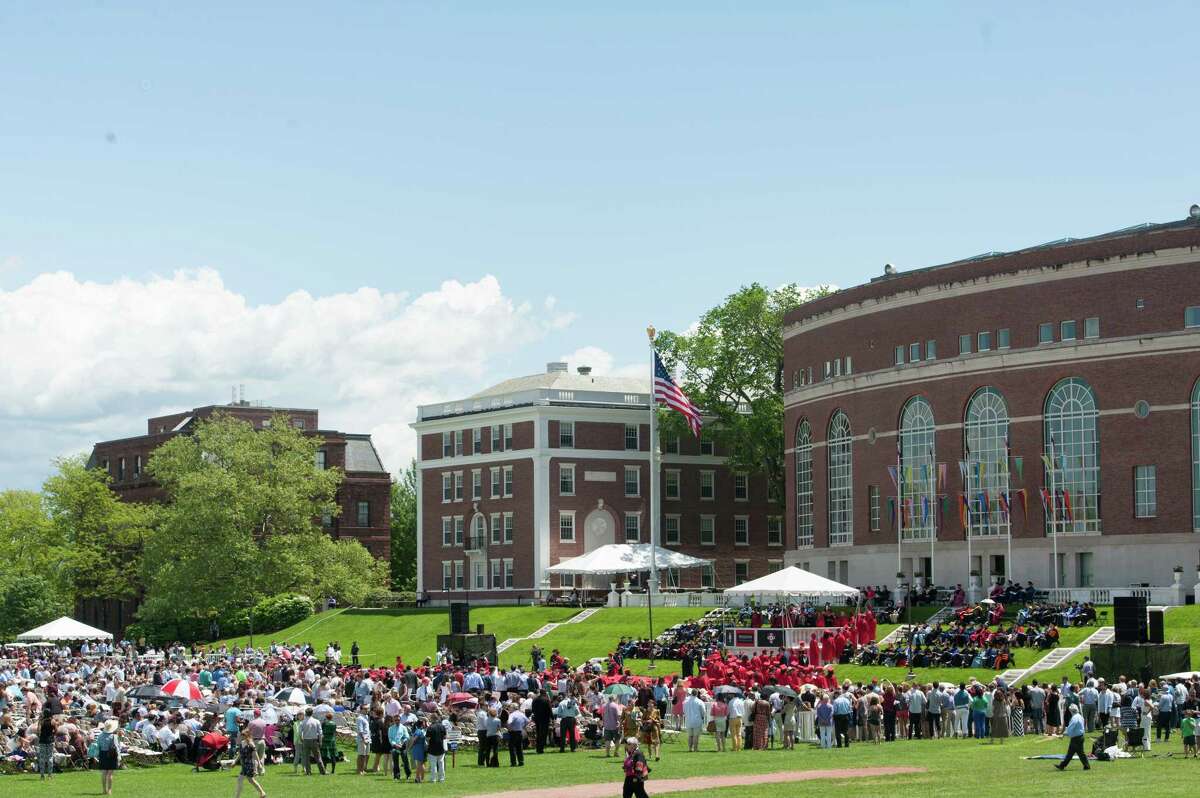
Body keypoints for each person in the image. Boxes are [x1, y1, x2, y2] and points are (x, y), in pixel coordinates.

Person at [1056, 706, 1089, 771]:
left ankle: (1062, 765)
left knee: (1073, 753)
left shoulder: (1074, 718)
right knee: (1077, 753)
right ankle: (1062, 765)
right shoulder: (1079, 716)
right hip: (1080, 737)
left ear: (1071, 711)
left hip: (1076, 738)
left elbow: (1070, 727)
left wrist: (1063, 734)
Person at [235, 733, 267, 798]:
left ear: (247, 736)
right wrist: (235, 761)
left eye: (243, 736)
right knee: (250, 780)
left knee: (243, 779)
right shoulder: (242, 743)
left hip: (250, 764)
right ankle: (262, 793)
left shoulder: (251, 744)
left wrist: (259, 764)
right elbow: (240, 753)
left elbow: (255, 754)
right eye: (242, 736)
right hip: (244, 764)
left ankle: (237, 797)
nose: (242, 737)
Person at [96, 718, 121, 796]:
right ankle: (109, 790)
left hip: (103, 754)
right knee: (110, 774)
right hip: (112, 755)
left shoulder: (100, 736)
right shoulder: (114, 736)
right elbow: (117, 748)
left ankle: (104, 790)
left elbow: (98, 746)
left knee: (104, 773)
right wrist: (119, 758)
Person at [299, 707, 325, 775]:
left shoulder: (302, 722)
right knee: (318, 757)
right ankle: (322, 771)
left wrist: (302, 739)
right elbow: (320, 733)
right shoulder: (316, 721)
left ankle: (308, 772)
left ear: (305, 713)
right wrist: (320, 741)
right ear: (312, 713)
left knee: (306, 758)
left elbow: (300, 733)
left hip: (306, 740)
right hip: (314, 740)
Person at [388, 715, 411, 780]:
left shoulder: (403, 727)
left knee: (405, 761)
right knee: (395, 762)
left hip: (402, 746)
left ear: (400, 720)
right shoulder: (391, 728)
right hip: (395, 747)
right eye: (395, 720)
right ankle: (396, 776)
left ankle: (408, 775)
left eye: (398, 720)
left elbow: (407, 736)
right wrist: (395, 744)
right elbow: (390, 738)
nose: (397, 721)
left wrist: (402, 742)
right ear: (393, 720)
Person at [426, 714, 447, 782]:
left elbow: (427, 738)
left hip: (432, 748)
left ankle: (433, 779)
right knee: (441, 764)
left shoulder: (430, 727)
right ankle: (442, 779)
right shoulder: (442, 726)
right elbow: (445, 737)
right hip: (441, 747)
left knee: (433, 765)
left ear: (432, 718)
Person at [37, 709, 55, 780]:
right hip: (50, 741)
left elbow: (38, 731)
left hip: (42, 741)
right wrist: (52, 734)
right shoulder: (52, 721)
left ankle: (42, 775)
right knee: (50, 757)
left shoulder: (41, 722)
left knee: (42, 758)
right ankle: (50, 775)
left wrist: (39, 721)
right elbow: (56, 730)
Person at [354, 707, 371, 774]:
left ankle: (363, 769)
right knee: (361, 755)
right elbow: (360, 730)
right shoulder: (359, 718)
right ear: (361, 710)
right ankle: (359, 770)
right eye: (365, 709)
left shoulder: (366, 717)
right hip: (362, 739)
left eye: (367, 709)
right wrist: (364, 739)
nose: (367, 710)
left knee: (366, 755)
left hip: (368, 738)